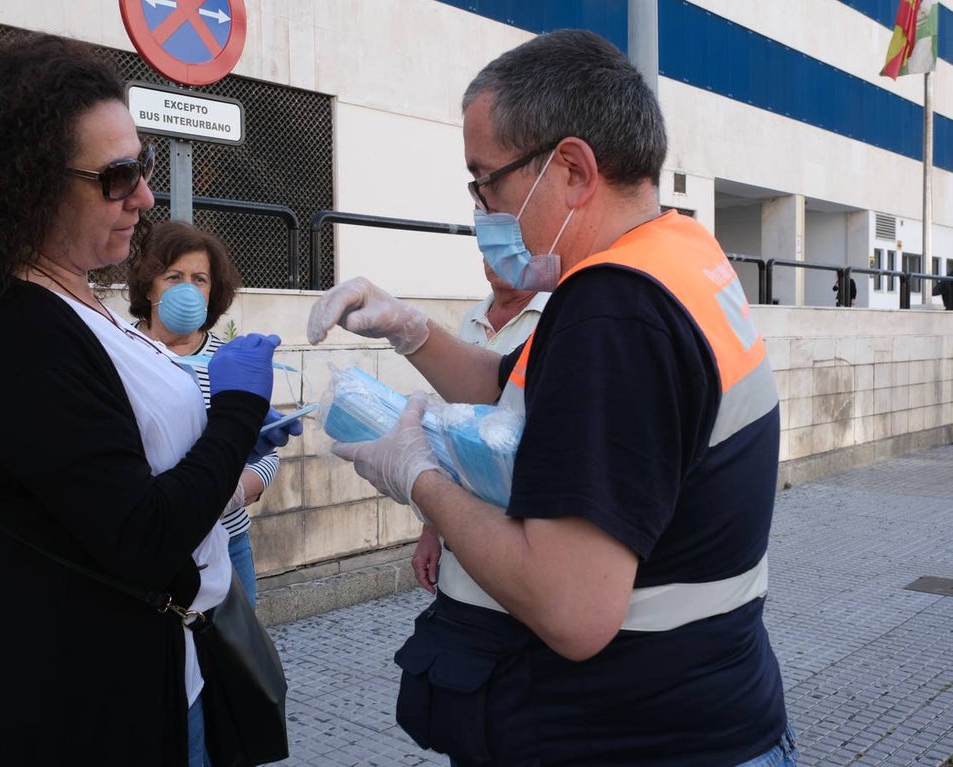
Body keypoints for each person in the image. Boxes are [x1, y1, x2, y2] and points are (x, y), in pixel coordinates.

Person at [307, 29, 794, 767]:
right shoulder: (675, 255)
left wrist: (420, 478)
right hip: (713, 712)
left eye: (487, 181)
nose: (480, 208)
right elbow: (519, 388)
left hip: (635, 739)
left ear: (570, 169)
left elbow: (573, 609)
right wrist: (411, 330)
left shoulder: (613, 312)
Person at [0, 33, 296, 766]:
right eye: (117, 176)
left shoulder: (69, 292)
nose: (145, 196)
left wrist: (219, 440)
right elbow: (142, 535)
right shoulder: (5, 334)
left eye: (144, 164)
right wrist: (236, 412)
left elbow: (107, 461)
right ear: (26, 183)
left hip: (157, 674)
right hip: (86, 708)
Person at [129, 221, 279, 606]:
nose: (188, 289)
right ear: (149, 286)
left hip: (228, 544)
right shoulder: (119, 353)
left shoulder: (233, 360)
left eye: (199, 279)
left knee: (233, 663)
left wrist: (232, 492)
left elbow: (266, 456)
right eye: (173, 276)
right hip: (147, 547)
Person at [412, 260, 547, 593]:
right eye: (489, 247)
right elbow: (452, 423)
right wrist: (431, 528)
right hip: (462, 524)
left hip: (524, 524)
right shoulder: (471, 319)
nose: (497, 258)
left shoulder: (555, 315)